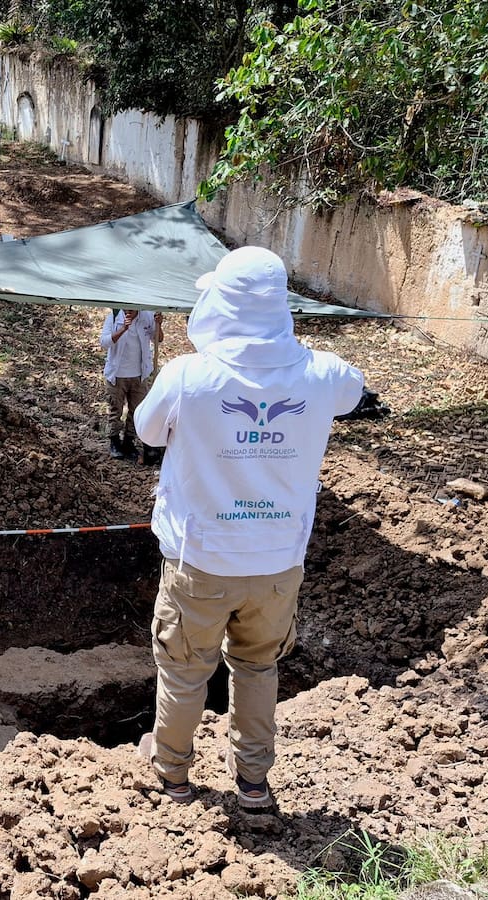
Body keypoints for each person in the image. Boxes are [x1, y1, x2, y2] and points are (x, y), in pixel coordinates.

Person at [133, 246, 364, 808]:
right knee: (258, 667)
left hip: (201, 561)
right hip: (278, 564)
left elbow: (147, 433)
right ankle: (255, 784)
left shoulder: (189, 375)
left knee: (186, 672)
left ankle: (172, 775)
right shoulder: (323, 373)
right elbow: (354, 392)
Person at [100, 307, 163, 462]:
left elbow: (158, 338)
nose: (128, 310)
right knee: (116, 409)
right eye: (126, 307)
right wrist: (123, 329)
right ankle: (114, 442)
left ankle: (129, 442)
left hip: (139, 374)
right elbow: (104, 342)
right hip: (117, 373)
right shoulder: (114, 317)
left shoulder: (147, 316)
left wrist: (158, 325)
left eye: (132, 308)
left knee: (137, 411)